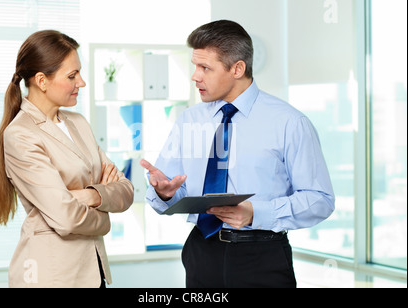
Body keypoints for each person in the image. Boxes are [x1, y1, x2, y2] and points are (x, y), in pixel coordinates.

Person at [141, 20, 335, 288]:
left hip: (262, 257)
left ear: (237, 68)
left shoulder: (289, 122)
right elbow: (172, 192)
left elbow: (320, 200)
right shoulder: (189, 120)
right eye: (194, 66)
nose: (195, 76)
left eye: (205, 68)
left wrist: (256, 213)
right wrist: (165, 192)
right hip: (201, 252)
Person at [0, 30, 134, 288]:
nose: (81, 82)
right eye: (72, 76)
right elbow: (66, 217)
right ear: (41, 80)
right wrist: (105, 216)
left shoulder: (79, 123)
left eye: (79, 73)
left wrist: (91, 195)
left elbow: (126, 190)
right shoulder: (20, 134)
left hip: (94, 272)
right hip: (53, 276)